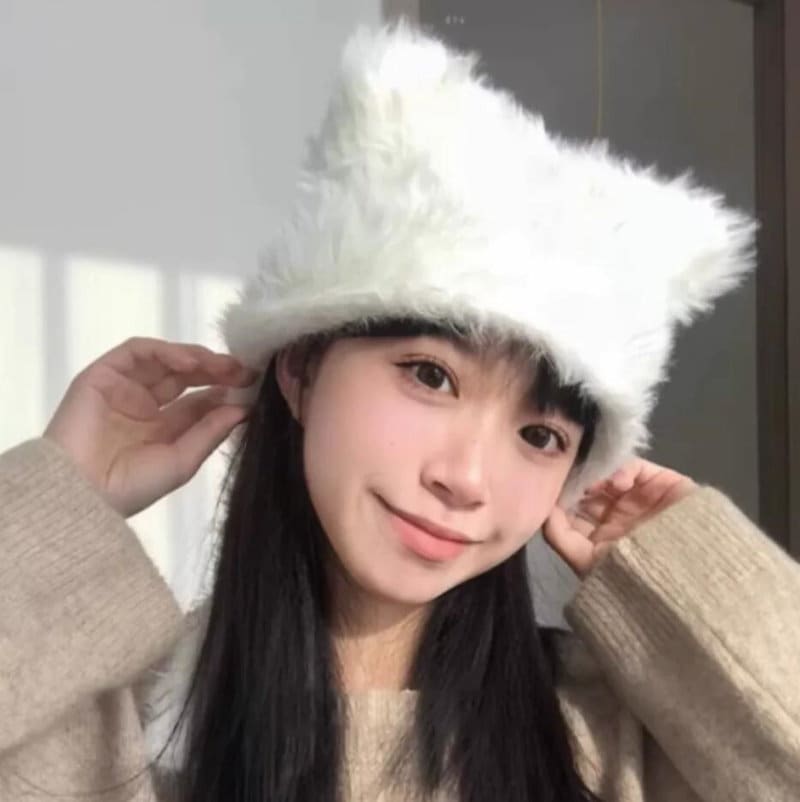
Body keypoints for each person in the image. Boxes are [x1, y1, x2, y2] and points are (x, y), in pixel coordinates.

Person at [1, 20, 799, 802]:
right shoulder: (120, 738)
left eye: (539, 434)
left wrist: (691, 572)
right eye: (430, 376)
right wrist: (56, 507)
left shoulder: (606, 742)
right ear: (302, 369)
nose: (467, 479)